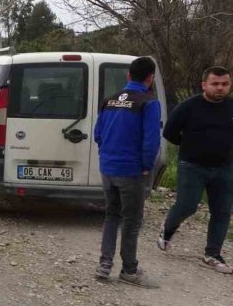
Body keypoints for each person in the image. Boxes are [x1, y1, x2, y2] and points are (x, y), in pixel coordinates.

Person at [157, 66, 233, 274]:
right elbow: (169, 132)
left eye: (225, 84)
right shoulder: (188, 107)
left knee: (222, 211)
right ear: (204, 85)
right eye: (215, 84)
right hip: (192, 166)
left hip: (225, 168)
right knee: (187, 205)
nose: (220, 88)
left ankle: (212, 254)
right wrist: (191, 145)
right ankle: (168, 230)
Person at [93, 56, 161, 287]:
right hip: (131, 171)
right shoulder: (149, 103)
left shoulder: (109, 100)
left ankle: (104, 265)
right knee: (131, 221)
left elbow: (98, 135)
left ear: (128, 75)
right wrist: (145, 167)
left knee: (112, 215)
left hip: (108, 168)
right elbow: (151, 142)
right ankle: (129, 270)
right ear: (150, 78)